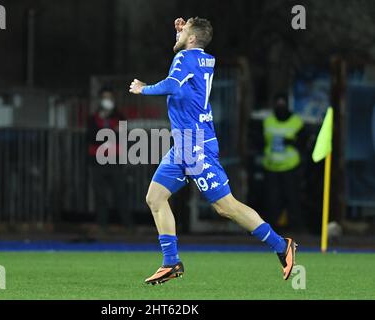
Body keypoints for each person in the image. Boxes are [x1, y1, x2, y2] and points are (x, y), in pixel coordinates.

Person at [129, 17, 297, 285]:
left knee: (225, 207)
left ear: (192, 39)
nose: (178, 34)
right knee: (155, 197)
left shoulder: (185, 59)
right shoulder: (204, 58)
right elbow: (188, 54)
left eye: (183, 32)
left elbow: (172, 84)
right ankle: (171, 262)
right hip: (184, 145)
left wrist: (143, 89)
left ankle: (281, 245)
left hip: (196, 146)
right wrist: (183, 34)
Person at [87, 88, 132, 233]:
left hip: (115, 160)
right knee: (100, 195)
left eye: (110, 98)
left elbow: (123, 136)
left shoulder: (120, 117)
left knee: (121, 193)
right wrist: (112, 131)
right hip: (97, 161)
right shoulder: (93, 118)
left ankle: (127, 226)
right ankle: (102, 226)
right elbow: (92, 138)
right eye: (104, 98)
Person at [262, 93, 306, 231]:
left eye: (283, 104)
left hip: (290, 167)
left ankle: (295, 227)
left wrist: (291, 141)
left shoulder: (296, 121)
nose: (280, 107)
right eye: (278, 103)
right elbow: (260, 140)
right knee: (272, 200)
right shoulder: (268, 121)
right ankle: (272, 229)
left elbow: (303, 142)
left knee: (292, 198)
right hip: (271, 167)